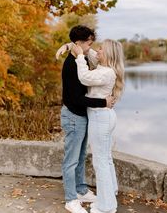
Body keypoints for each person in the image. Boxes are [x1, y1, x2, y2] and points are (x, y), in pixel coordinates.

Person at [59, 38, 125, 213]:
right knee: (106, 159)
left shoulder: (106, 72)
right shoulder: (104, 66)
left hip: (100, 118)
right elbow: (85, 49)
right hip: (104, 117)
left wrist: (80, 57)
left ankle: (106, 206)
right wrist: (69, 46)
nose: (97, 51)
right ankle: (111, 193)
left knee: (100, 161)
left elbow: (85, 77)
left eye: (102, 49)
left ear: (109, 54)